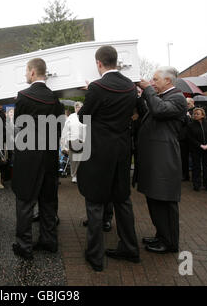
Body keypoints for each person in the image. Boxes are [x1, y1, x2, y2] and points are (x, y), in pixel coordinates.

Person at [77, 45, 140, 272]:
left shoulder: (97, 87)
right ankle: (130, 248)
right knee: (122, 199)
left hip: (99, 151)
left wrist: (89, 95)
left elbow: (84, 117)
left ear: (99, 64)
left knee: (94, 202)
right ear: (117, 62)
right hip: (122, 150)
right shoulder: (130, 86)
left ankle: (95, 256)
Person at [12, 58, 64, 260]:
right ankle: (49, 241)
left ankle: (24, 246)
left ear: (33, 72)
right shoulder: (55, 99)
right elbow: (59, 127)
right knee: (49, 202)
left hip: (29, 157)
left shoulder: (23, 97)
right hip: (49, 157)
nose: (25, 75)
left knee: (25, 202)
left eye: (26, 71)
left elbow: (18, 127)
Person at [137, 66, 187, 254]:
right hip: (156, 157)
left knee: (165, 200)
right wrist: (141, 94)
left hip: (164, 158)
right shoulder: (163, 97)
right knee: (154, 198)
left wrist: (148, 90)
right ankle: (161, 235)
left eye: (155, 80)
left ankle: (170, 242)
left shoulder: (177, 98)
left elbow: (158, 110)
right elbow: (147, 111)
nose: (152, 83)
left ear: (168, 81)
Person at [187, 107, 207, 192]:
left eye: (198, 114)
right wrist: (200, 145)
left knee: (206, 167)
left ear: (203, 115)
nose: (195, 115)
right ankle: (197, 184)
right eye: (194, 114)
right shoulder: (190, 125)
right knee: (196, 167)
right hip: (196, 149)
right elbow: (190, 138)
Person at [60, 101, 86, 183]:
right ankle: (74, 175)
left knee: (81, 160)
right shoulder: (71, 117)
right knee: (73, 160)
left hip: (82, 141)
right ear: (74, 108)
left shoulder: (85, 116)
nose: (78, 108)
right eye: (77, 107)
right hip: (72, 140)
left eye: (80, 107)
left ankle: (80, 175)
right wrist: (64, 145)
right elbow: (65, 130)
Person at [179, 97, 195, 181]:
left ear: (193, 103)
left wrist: (189, 117)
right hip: (183, 138)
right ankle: (185, 174)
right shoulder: (183, 111)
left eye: (188, 104)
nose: (187, 105)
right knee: (183, 157)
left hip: (193, 138)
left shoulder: (196, 111)